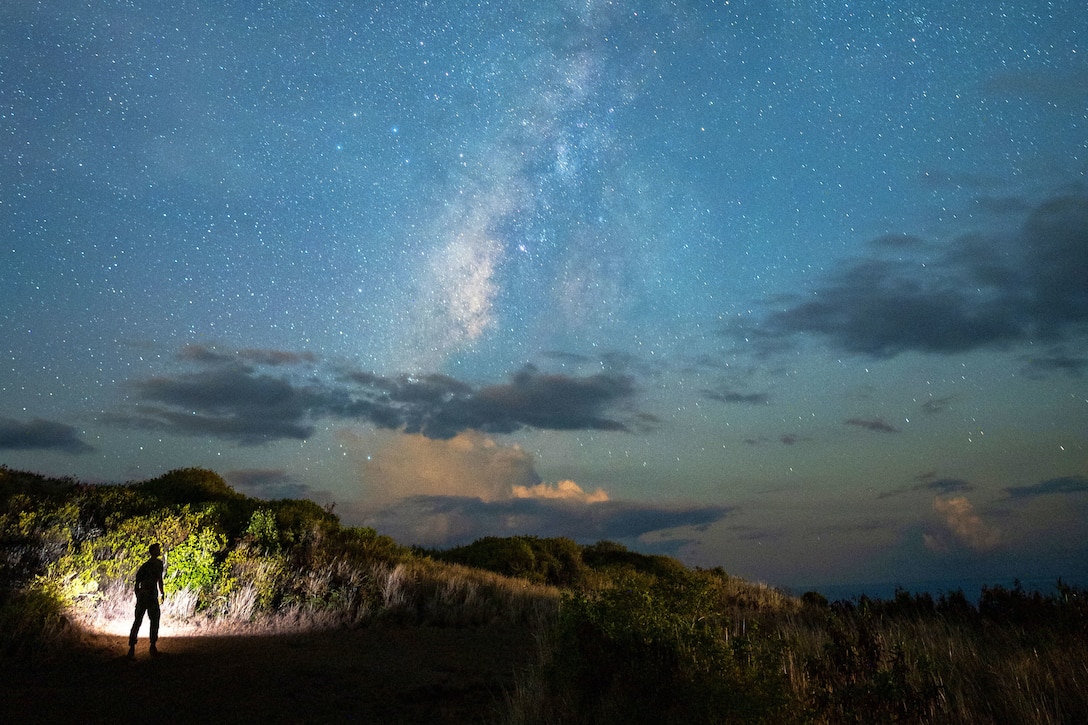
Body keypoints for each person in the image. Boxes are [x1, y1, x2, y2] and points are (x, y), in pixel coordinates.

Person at [127, 542, 165, 659]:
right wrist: (139, 593)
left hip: (148, 594)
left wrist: (139, 593)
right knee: (150, 619)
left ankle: (135, 646)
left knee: (143, 619)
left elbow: (158, 580)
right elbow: (156, 580)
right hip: (148, 595)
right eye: (157, 549)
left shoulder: (153, 564)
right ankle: (146, 646)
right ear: (153, 551)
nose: (159, 551)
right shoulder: (152, 565)